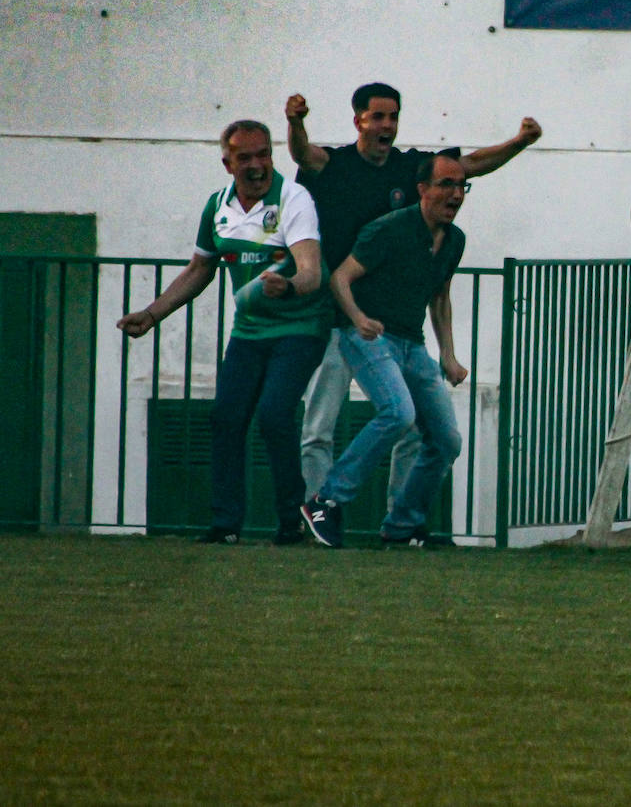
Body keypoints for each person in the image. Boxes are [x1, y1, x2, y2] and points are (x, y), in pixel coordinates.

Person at [286, 84, 540, 520]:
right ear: (359, 121)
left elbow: (471, 165)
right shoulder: (338, 164)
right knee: (320, 427)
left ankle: (398, 523)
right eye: (378, 117)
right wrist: (295, 122)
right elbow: (304, 155)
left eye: (393, 117)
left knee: (417, 429)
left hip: (395, 325)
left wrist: (518, 142)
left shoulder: (411, 170)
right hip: (338, 315)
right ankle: (319, 511)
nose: (387, 125)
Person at [117, 120, 330, 545]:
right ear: (227, 163)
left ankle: (291, 523)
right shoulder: (218, 206)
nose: (256, 165)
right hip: (249, 333)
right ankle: (226, 525)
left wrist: (287, 286)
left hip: (300, 328)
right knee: (226, 418)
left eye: (263, 154)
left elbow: (311, 271)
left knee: (273, 415)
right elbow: (200, 268)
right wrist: (153, 314)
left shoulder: (293, 198)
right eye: (245, 158)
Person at [301, 150, 470, 548]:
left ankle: (402, 525)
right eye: (446, 184)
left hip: (412, 343)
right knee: (398, 412)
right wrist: (358, 318)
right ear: (422, 189)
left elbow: (440, 296)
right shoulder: (389, 229)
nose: (456, 194)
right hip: (367, 337)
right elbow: (340, 277)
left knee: (447, 440)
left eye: (462, 185)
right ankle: (326, 500)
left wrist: (448, 354)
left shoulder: (454, 240)